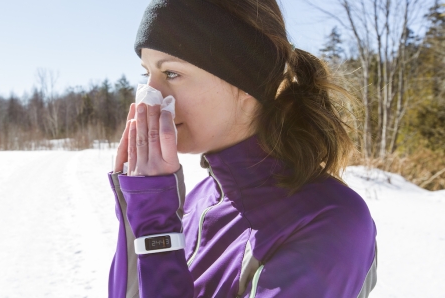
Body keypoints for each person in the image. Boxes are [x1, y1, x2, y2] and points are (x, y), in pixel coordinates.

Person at [107, 0, 378, 297]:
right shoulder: (200, 201)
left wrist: (155, 225)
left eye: (171, 73)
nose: (149, 98)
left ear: (247, 78)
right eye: (147, 74)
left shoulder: (330, 223)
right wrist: (137, 210)